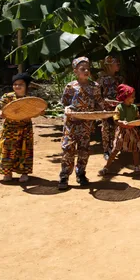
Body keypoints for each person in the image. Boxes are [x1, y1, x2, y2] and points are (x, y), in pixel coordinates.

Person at [59, 57, 103, 190]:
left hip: (86, 125)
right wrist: (66, 109)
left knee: (84, 150)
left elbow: (99, 103)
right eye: (82, 68)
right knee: (68, 149)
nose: (86, 71)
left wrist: (104, 111)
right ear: (75, 71)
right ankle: (64, 176)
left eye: (88, 68)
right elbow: (65, 103)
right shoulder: (70, 86)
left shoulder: (94, 86)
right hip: (71, 124)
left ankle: (81, 174)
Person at [0, 72, 42, 183]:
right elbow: (2, 109)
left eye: (20, 84)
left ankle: (24, 173)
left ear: (26, 86)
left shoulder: (30, 99)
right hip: (9, 129)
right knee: (7, 149)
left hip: (25, 129)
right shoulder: (7, 97)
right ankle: (7, 173)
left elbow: (35, 112)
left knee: (25, 150)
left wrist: (39, 112)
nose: (17, 86)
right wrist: (1, 112)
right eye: (15, 84)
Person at [98, 84, 140, 175]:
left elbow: (138, 118)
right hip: (122, 132)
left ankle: (136, 166)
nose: (134, 99)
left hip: (133, 131)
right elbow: (116, 120)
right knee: (115, 149)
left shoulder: (134, 107)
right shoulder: (119, 108)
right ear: (125, 97)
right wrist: (121, 123)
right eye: (132, 97)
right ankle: (106, 167)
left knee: (135, 150)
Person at [97, 55, 123, 159]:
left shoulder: (119, 79)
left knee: (116, 128)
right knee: (106, 129)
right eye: (116, 63)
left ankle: (114, 148)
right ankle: (106, 150)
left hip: (117, 107)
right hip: (106, 108)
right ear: (109, 65)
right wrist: (105, 102)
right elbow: (98, 95)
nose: (118, 65)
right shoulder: (102, 80)